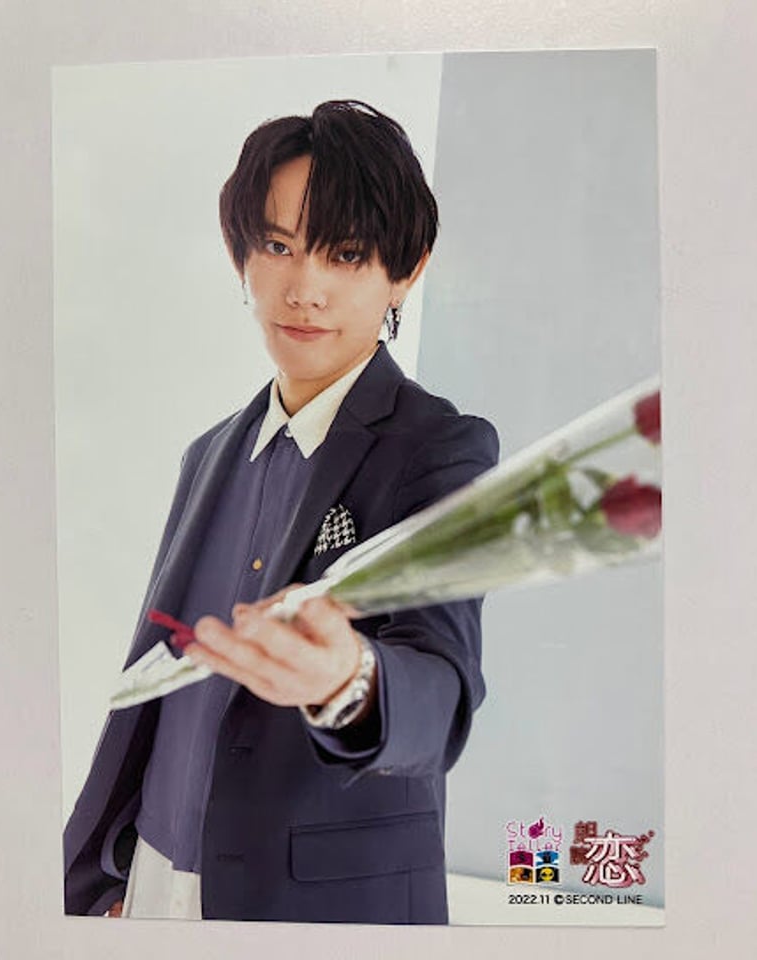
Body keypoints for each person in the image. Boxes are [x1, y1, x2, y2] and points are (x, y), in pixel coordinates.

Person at [63, 99, 500, 925]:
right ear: (243, 256)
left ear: (406, 270)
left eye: (347, 253)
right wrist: (115, 879)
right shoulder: (209, 454)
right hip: (150, 883)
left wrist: (349, 679)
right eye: (278, 246)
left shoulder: (438, 451)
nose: (304, 289)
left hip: (312, 907)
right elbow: (164, 690)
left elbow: (441, 691)